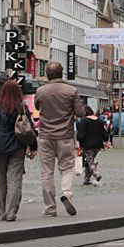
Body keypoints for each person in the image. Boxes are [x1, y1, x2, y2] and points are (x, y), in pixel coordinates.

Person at [35, 61, 86, 217]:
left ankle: (50, 207)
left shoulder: (41, 91)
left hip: (45, 135)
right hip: (65, 135)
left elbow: (37, 107)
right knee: (67, 168)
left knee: (47, 172)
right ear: (62, 72)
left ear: (47, 74)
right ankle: (66, 193)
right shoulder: (71, 91)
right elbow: (80, 113)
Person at [0, 80, 37, 221]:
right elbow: (29, 128)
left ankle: (3, 212)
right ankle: (11, 212)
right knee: (14, 180)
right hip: (17, 146)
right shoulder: (21, 108)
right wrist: (33, 147)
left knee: (2, 180)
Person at [76, 105, 108, 185]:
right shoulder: (99, 121)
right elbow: (105, 135)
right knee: (88, 161)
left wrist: (79, 140)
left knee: (90, 161)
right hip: (97, 145)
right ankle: (87, 179)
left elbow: (80, 135)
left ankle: (96, 173)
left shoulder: (84, 121)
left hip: (87, 144)